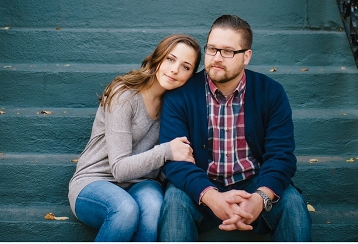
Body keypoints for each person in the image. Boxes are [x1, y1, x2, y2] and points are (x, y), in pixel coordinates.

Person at [158, 15, 312, 241]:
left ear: (246, 56)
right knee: (174, 202)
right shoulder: (181, 95)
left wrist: (261, 198)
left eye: (228, 51)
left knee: (293, 205)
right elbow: (176, 163)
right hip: (201, 186)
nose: (217, 58)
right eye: (212, 49)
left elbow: (281, 156)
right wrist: (212, 197)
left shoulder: (271, 92)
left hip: (255, 182)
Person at [68, 34, 201, 242]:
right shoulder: (125, 95)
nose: (175, 69)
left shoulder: (175, 107)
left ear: (191, 76)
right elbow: (119, 169)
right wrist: (167, 151)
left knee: (155, 210)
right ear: (158, 58)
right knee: (125, 209)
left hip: (142, 182)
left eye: (186, 67)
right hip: (94, 181)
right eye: (170, 59)